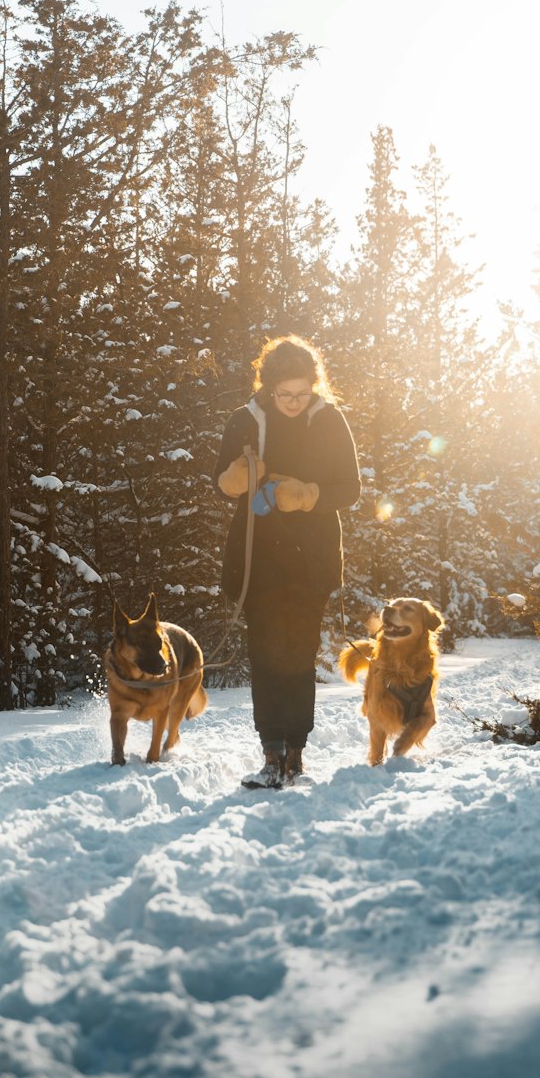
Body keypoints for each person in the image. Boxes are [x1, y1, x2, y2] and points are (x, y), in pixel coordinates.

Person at [212, 335, 361, 788]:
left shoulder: (330, 420)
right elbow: (219, 482)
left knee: (297, 654)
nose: (294, 403)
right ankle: (270, 754)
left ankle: (295, 753)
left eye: (302, 394)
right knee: (265, 656)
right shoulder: (244, 420)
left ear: (314, 387)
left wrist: (307, 495)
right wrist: (237, 478)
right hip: (258, 556)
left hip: (310, 558)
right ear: (268, 386)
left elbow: (350, 489)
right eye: (285, 395)